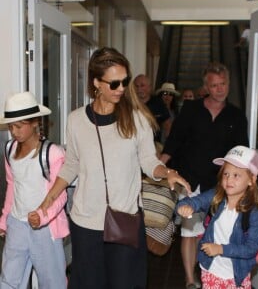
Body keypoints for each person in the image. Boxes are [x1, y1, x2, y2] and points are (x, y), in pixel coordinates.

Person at [29, 47, 191, 289]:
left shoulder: (136, 119)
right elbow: (71, 164)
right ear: (96, 83)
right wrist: (46, 202)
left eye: (125, 81)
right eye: (114, 84)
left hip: (124, 220)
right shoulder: (76, 120)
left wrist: (167, 173)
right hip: (86, 222)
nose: (122, 88)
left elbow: (149, 161)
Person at [160, 62, 249, 289]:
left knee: (219, 233)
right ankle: (191, 279)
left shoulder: (236, 116)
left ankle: (216, 277)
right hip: (189, 182)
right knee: (190, 232)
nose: (220, 89)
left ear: (228, 84)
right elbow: (174, 141)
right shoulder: (191, 110)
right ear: (206, 87)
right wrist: (158, 168)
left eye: (223, 84)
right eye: (214, 85)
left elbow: (241, 152)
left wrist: (245, 182)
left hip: (221, 185)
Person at [0, 91, 69, 289]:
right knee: (9, 280)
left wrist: (41, 215)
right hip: (16, 225)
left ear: (34, 123)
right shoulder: (9, 149)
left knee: (52, 282)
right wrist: (5, 219)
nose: (14, 131)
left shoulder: (52, 153)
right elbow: (12, 185)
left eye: (19, 126)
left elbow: (60, 195)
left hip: (45, 229)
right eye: (11, 126)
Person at [177, 145, 258, 289]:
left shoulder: (253, 213)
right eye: (226, 174)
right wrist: (185, 206)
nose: (229, 179)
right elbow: (194, 200)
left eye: (236, 175)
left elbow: (251, 249)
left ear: (251, 179)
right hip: (211, 270)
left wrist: (221, 249)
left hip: (237, 275)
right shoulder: (216, 197)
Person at [134, 74, 172, 143]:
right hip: (133, 143)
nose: (139, 89)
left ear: (149, 87)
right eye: (136, 86)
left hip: (154, 144)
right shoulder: (129, 103)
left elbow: (167, 125)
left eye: (142, 86)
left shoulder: (158, 103)